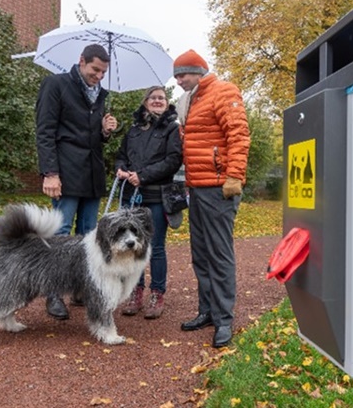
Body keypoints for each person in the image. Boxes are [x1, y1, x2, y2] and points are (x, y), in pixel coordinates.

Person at [173, 49, 250, 348]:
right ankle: (206, 311)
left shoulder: (222, 91)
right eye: (177, 75)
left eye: (184, 74)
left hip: (219, 188)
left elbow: (239, 134)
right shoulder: (191, 101)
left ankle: (224, 319)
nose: (179, 80)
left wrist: (234, 177)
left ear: (199, 71)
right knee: (201, 254)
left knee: (219, 254)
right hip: (197, 187)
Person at [36, 43, 118, 320]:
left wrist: (105, 133)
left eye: (103, 72)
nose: (99, 76)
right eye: (95, 69)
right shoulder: (56, 85)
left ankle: (81, 287)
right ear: (82, 61)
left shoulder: (100, 95)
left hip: (92, 174)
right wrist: (50, 173)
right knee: (59, 235)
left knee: (89, 236)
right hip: (65, 172)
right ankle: (53, 292)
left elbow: (92, 136)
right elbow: (45, 131)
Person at [115, 86, 183, 319]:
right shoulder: (133, 130)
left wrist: (143, 175)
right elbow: (121, 155)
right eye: (153, 98)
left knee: (155, 247)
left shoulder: (173, 129)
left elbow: (173, 160)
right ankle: (135, 292)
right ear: (145, 102)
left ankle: (157, 293)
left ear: (166, 103)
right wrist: (121, 170)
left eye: (161, 98)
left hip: (156, 195)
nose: (157, 101)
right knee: (132, 247)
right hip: (130, 196)